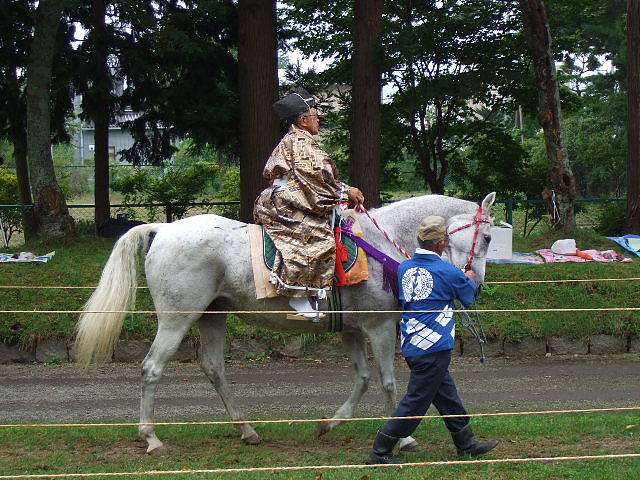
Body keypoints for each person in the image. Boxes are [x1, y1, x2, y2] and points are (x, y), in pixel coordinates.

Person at [366, 215, 498, 464]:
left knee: (445, 394)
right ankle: (380, 450)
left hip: (412, 344)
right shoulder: (448, 271)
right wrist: (468, 277)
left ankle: (465, 442)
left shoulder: (404, 267)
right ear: (442, 244)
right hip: (434, 344)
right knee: (415, 401)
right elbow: (468, 296)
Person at [254, 88, 364, 318]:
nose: (318, 121)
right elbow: (317, 179)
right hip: (287, 203)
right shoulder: (302, 143)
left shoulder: (299, 140)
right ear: (303, 120)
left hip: (293, 197)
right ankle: (299, 295)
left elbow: (318, 178)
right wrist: (346, 191)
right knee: (316, 238)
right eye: (315, 116)